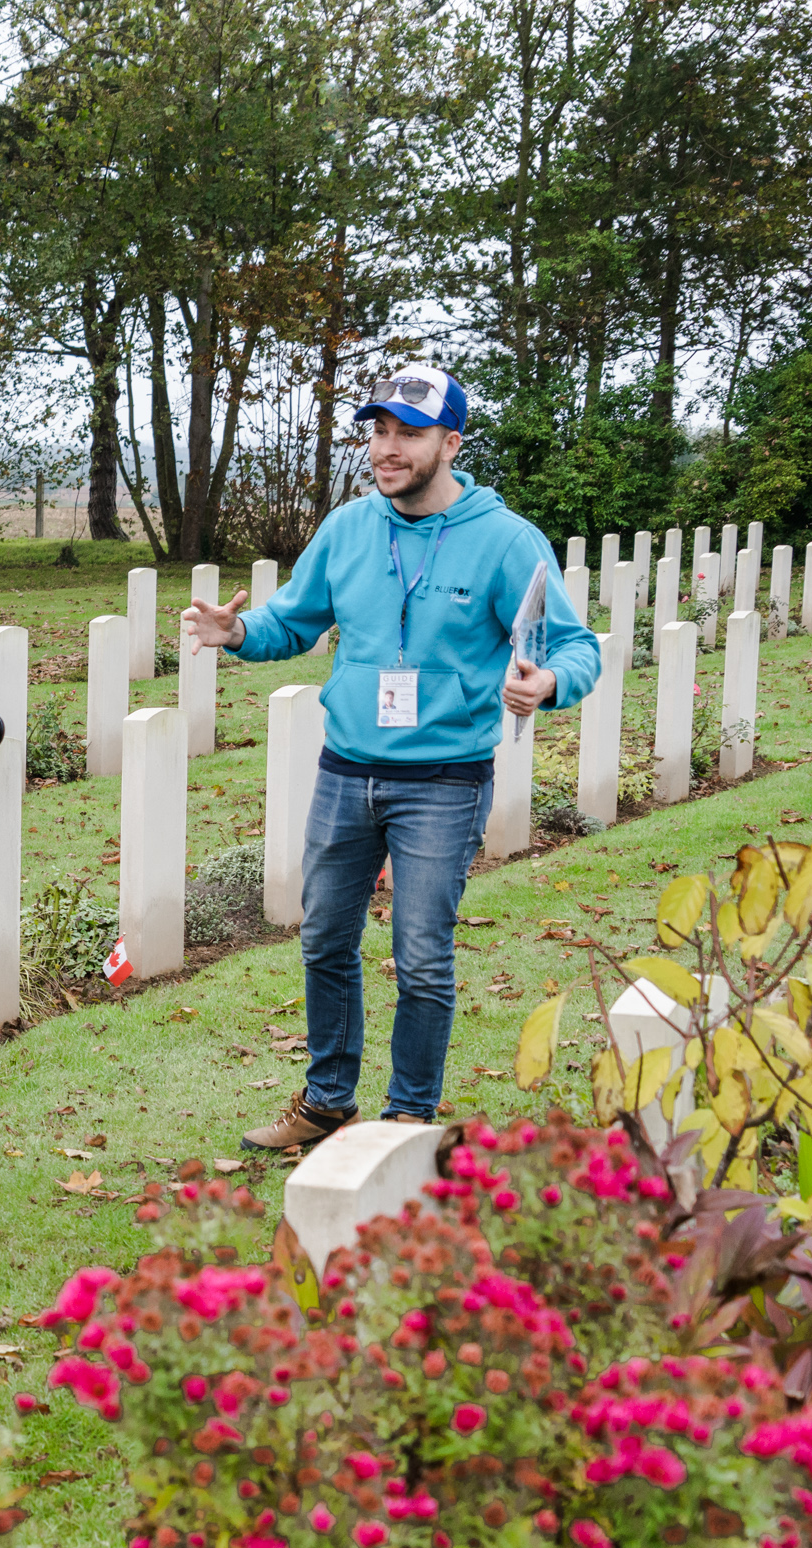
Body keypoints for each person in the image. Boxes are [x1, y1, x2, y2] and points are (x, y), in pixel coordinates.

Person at [184, 364, 601, 1151]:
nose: (387, 447)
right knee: (324, 939)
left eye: (408, 433)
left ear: (451, 441)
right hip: (346, 769)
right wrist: (239, 634)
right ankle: (328, 1099)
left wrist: (548, 682)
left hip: (443, 781)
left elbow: (575, 646)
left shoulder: (506, 540)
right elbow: (294, 623)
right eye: (378, 430)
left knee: (420, 953)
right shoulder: (347, 528)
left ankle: (409, 1116)